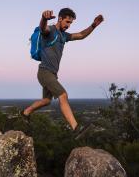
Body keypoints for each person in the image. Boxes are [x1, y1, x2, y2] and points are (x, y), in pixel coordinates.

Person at [21, 8, 104, 140]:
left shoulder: (64, 36)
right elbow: (43, 29)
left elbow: (81, 35)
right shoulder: (51, 31)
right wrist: (43, 18)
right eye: (67, 22)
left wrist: (93, 25)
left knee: (47, 101)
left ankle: (26, 112)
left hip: (52, 74)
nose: (68, 25)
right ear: (60, 18)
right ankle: (76, 128)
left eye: (70, 23)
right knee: (63, 95)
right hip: (44, 72)